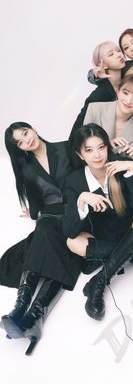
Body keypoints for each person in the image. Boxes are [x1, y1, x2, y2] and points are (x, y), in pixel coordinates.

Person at [63, 123, 133, 320]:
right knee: (72, 242)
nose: (97, 155)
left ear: (108, 147)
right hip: (105, 236)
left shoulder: (122, 164)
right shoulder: (74, 181)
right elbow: (69, 230)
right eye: (89, 150)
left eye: (101, 147)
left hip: (131, 228)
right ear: (80, 155)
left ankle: (99, 282)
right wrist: (82, 199)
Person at [0, 122, 81, 355]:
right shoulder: (26, 169)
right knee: (45, 229)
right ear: (20, 148)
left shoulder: (65, 148)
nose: (27, 141)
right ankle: (23, 311)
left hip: (77, 210)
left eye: (26, 133)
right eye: (20, 142)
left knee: (49, 236)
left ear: (33, 128)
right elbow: (37, 206)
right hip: (51, 216)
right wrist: (33, 213)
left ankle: (33, 313)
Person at [83, 73, 133, 219]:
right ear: (118, 92)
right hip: (92, 174)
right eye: (125, 93)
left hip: (119, 182)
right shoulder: (95, 109)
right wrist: (107, 143)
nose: (128, 100)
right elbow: (81, 145)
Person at [69, 41, 126, 143]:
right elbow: (80, 127)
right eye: (111, 54)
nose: (118, 55)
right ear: (102, 64)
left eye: (118, 50)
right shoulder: (98, 95)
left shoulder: (128, 75)